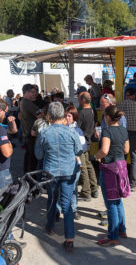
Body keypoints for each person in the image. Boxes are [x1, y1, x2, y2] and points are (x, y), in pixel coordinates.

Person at [35, 102, 83, 252]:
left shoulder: (44, 132)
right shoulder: (71, 132)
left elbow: (39, 154)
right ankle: (69, 238)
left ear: (49, 115)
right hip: (68, 171)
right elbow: (79, 150)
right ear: (62, 115)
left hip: (51, 172)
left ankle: (50, 227)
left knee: (52, 199)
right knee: (67, 204)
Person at [94, 105, 130, 246]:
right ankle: (122, 230)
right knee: (118, 200)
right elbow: (126, 149)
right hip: (121, 166)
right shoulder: (123, 130)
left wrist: (97, 156)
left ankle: (113, 236)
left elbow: (104, 150)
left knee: (111, 204)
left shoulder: (107, 130)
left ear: (107, 117)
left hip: (109, 168)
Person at [64, 106, 87, 220]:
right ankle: (61, 209)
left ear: (74, 117)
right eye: (65, 115)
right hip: (63, 163)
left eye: (69, 116)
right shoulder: (61, 128)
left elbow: (83, 147)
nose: (67, 118)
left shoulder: (78, 130)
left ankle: (74, 209)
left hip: (74, 163)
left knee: (73, 187)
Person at [77, 92, 98, 201]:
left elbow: (76, 128)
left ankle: (86, 192)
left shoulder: (81, 113)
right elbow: (95, 125)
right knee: (88, 165)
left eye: (79, 98)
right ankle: (94, 188)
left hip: (82, 142)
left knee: (83, 167)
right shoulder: (93, 111)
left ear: (83, 100)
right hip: (88, 140)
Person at [19, 84, 39, 173]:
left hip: (27, 134)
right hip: (30, 135)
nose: (35, 94)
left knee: (28, 157)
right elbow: (40, 115)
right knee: (32, 159)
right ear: (26, 92)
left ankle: (27, 177)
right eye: (33, 92)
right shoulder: (27, 102)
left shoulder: (24, 101)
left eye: (36, 92)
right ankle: (31, 180)